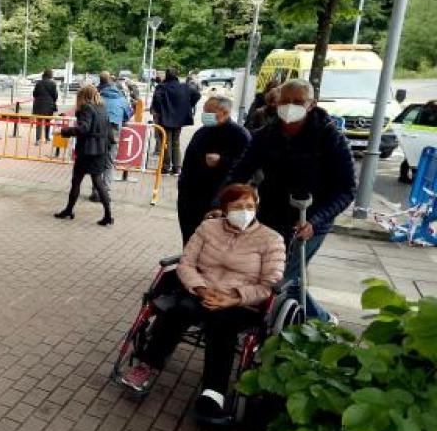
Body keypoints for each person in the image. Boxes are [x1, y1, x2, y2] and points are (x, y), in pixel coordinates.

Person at [120, 184, 285, 423]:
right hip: (200, 291)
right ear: (225, 208)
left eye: (250, 206)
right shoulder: (208, 228)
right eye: (238, 206)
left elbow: (268, 285)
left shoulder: (271, 239)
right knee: (176, 311)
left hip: (240, 302)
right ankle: (146, 366)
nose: (245, 211)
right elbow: (186, 264)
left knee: (223, 325)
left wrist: (234, 298)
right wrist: (201, 289)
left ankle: (213, 394)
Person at [228, 78, 355, 322]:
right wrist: (221, 204)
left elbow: (347, 189)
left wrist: (315, 221)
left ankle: (322, 320)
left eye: (298, 102)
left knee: (287, 278)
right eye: (285, 101)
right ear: (276, 103)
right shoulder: (265, 135)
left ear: (311, 104)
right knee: (262, 269)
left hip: (311, 218)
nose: (290, 106)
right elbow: (240, 171)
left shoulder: (330, 138)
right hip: (272, 214)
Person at [177, 96, 251, 244]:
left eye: (209, 111)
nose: (205, 114)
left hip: (216, 199)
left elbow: (245, 168)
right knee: (190, 238)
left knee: (212, 242)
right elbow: (188, 161)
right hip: (190, 197)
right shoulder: (202, 132)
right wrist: (182, 184)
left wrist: (222, 161)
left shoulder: (239, 135)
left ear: (224, 112)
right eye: (204, 110)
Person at [54, 85, 113, 226]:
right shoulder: (102, 107)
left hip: (87, 150)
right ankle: (108, 215)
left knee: (76, 181)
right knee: (98, 182)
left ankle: (69, 210)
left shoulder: (87, 108)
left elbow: (83, 128)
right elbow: (108, 130)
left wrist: (64, 131)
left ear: (83, 96)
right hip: (101, 150)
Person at [150, 68, 200, 175]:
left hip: (165, 118)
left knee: (166, 142)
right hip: (179, 118)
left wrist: (161, 110)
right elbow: (197, 95)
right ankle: (177, 167)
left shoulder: (162, 87)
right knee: (176, 142)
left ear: (167, 75)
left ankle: (166, 166)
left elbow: (157, 100)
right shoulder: (184, 87)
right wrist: (188, 105)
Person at [98, 73, 133, 193]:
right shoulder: (122, 99)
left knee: (98, 160)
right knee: (109, 161)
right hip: (113, 131)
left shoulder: (99, 97)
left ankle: (96, 190)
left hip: (99, 130)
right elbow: (127, 115)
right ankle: (105, 189)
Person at [32, 68, 60, 143]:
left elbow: (34, 94)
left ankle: (37, 139)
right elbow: (55, 96)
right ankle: (47, 138)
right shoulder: (53, 84)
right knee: (48, 122)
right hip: (49, 106)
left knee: (39, 122)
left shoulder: (38, 83)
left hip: (38, 105)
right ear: (50, 75)